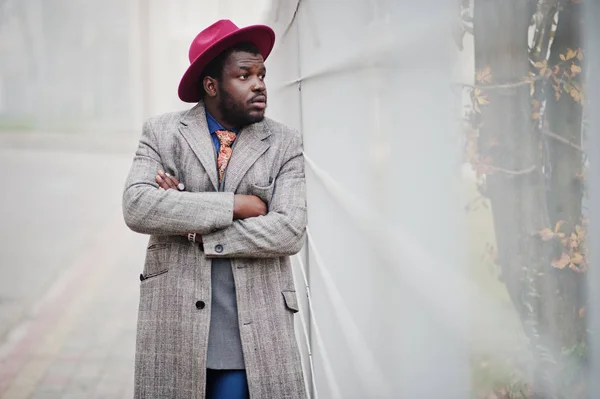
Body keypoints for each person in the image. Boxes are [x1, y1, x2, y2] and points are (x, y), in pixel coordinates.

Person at [122, 19, 307, 399]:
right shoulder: (162, 133)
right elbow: (138, 205)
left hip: (254, 331)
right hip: (174, 326)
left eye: (261, 74)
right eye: (244, 75)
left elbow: (289, 231)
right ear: (211, 86)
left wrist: (186, 218)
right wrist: (238, 205)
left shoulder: (284, 143)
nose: (259, 85)